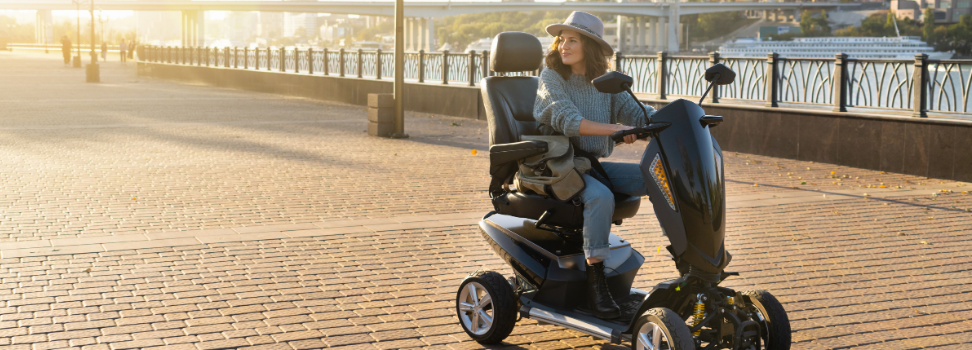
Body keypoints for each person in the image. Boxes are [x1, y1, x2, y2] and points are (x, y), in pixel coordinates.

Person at [534, 11, 656, 320]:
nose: (563, 45)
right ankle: (596, 281)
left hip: (588, 166)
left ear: (588, 45)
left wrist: (680, 117)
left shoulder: (605, 83)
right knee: (600, 196)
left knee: (656, 175)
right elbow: (568, 120)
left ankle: (689, 258)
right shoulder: (551, 77)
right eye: (561, 39)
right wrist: (615, 130)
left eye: (572, 40)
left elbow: (637, 113)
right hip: (556, 165)